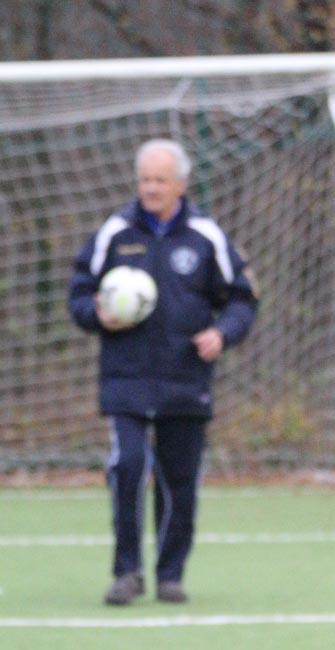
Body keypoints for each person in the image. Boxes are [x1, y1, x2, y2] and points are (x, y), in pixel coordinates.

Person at [69, 139, 257, 605]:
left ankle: (170, 573)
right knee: (128, 466)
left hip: (185, 379)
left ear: (180, 184)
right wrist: (98, 315)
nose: (151, 188)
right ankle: (127, 572)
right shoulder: (115, 233)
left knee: (179, 480)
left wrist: (222, 334)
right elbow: (78, 294)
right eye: (145, 180)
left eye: (160, 180)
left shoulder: (205, 235)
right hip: (126, 379)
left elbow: (241, 298)